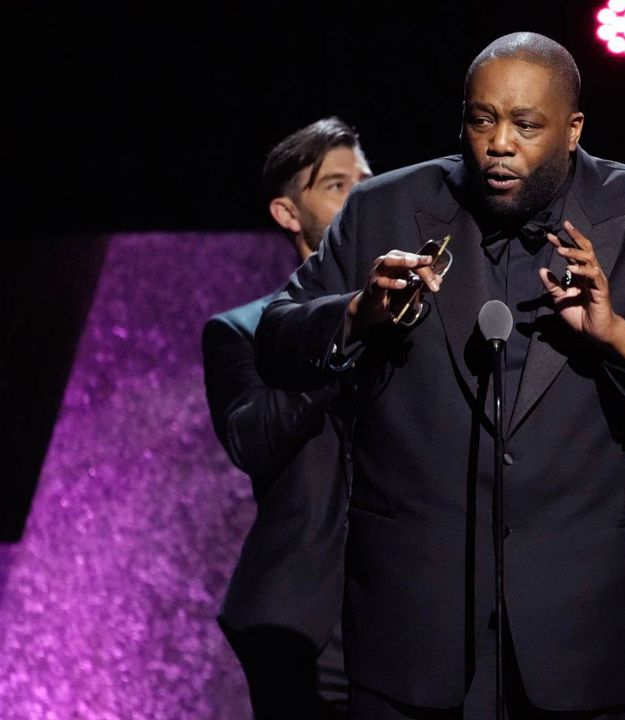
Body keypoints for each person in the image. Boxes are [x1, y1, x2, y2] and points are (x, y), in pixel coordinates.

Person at [254, 32, 625, 719]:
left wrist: (621, 337)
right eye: (482, 120)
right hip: (414, 628)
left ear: (573, 129)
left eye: (525, 124)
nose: (498, 144)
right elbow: (276, 339)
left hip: (597, 631)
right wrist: (360, 313)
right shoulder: (381, 209)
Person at [203, 116, 373, 718]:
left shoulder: (420, 315)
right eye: (336, 185)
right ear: (287, 213)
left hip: (420, 600)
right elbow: (252, 439)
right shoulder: (242, 330)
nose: (362, 195)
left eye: (367, 180)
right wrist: (346, 336)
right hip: (310, 617)